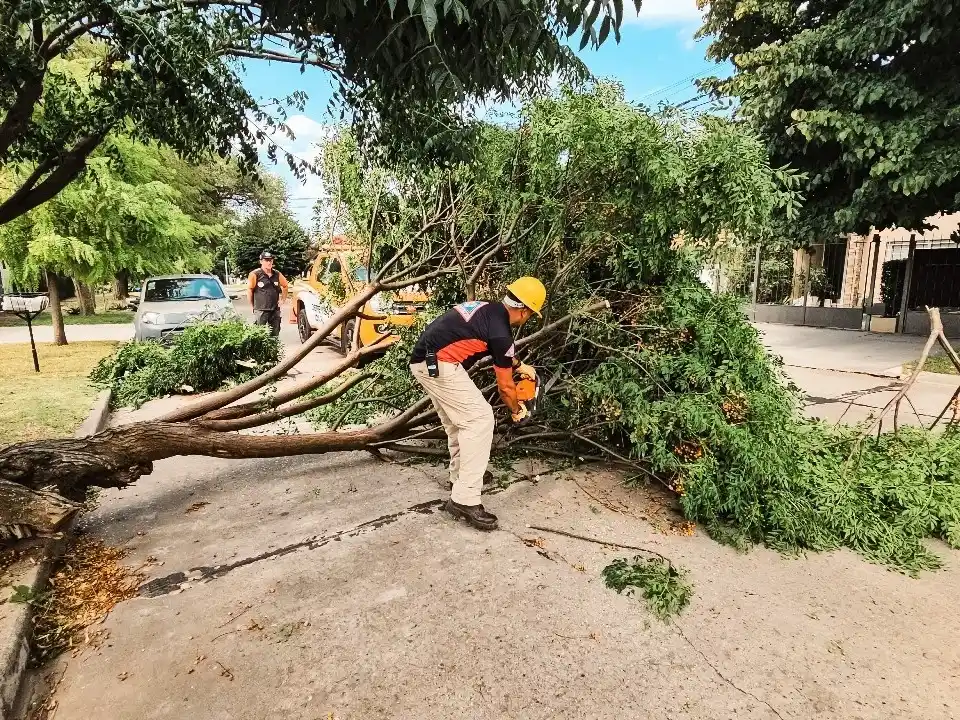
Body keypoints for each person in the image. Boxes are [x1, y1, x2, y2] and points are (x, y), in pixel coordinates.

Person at [409, 277, 546, 531]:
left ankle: (461, 477)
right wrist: (517, 410)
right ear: (525, 310)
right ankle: (465, 499)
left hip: (426, 361)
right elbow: (505, 387)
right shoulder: (501, 331)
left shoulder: (490, 311)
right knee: (480, 419)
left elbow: (501, 352)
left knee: (457, 423)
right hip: (438, 364)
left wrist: (520, 366)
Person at [247, 251, 288, 337]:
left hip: (274, 309)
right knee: (258, 333)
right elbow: (250, 290)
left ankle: (273, 349)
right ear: (261, 261)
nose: (269, 262)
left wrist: (283, 300)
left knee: (274, 333)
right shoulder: (255, 274)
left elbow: (285, 286)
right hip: (260, 309)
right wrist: (252, 306)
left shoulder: (277, 274)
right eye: (266, 260)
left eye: (270, 260)